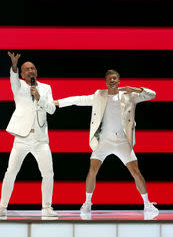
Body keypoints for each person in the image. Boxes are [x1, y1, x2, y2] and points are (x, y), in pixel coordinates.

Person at [54, 69, 159, 217]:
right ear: (105, 81)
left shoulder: (129, 96)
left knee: (136, 172)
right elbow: (78, 99)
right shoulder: (99, 96)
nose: (112, 81)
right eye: (109, 78)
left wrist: (135, 89)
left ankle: (147, 204)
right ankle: (87, 202)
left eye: (114, 78)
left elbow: (152, 94)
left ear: (119, 80)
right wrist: (57, 103)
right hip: (104, 140)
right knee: (92, 170)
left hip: (123, 140)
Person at [0, 52, 58, 218]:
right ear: (22, 74)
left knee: (48, 172)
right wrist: (14, 64)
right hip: (22, 137)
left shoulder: (45, 88)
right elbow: (13, 77)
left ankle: (47, 207)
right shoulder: (19, 86)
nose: (30, 71)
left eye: (33, 68)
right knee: (11, 171)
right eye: (27, 69)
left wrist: (39, 97)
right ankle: (2, 207)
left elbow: (52, 109)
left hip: (40, 138)